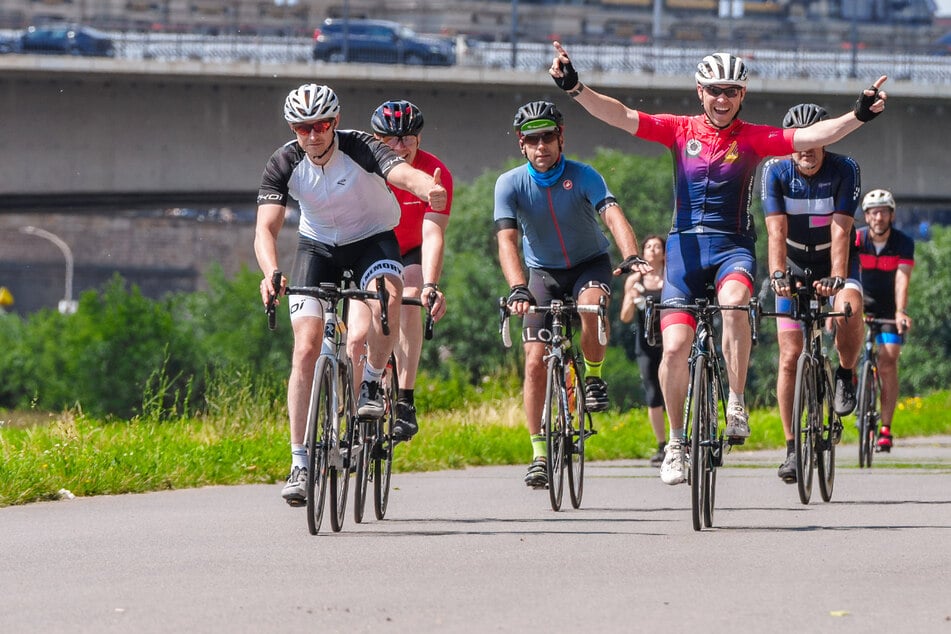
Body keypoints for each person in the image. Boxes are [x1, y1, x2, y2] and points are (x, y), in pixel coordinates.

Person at [549, 42, 888, 485]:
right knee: (673, 348)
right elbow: (621, 115)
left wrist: (859, 114)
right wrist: (575, 86)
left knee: (734, 303)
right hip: (685, 251)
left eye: (730, 91)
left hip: (732, 248)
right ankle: (674, 444)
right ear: (699, 91)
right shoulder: (678, 129)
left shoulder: (752, 137)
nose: (722, 99)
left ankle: (735, 400)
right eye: (713, 91)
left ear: (742, 95)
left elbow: (811, 137)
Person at [254, 83, 447, 505]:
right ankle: (300, 463)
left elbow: (401, 172)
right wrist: (271, 272)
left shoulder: (360, 146)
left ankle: (374, 382)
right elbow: (265, 229)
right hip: (316, 247)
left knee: (387, 300)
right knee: (305, 349)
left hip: (372, 240)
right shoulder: (284, 161)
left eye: (321, 125)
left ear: (335, 122)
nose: (313, 135)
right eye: (303, 127)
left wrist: (424, 189)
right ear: (293, 128)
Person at [495, 100, 650, 488]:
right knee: (533, 361)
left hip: (589, 265)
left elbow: (612, 215)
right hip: (542, 273)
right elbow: (507, 242)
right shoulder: (510, 184)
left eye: (548, 137)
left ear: (561, 138)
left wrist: (631, 255)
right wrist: (517, 287)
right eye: (533, 139)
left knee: (593, 307)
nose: (541, 146)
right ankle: (538, 454)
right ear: (522, 144)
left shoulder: (584, 176)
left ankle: (594, 377)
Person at [761, 103, 866, 483]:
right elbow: (775, 232)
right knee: (789, 357)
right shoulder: (774, 171)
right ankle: (791, 449)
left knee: (850, 308)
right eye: (798, 141)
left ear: (826, 139)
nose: (806, 149)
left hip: (836, 262)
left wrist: (837, 278)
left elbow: (841, 231)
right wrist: (776, 274)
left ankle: (845, 374)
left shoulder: (845, 169)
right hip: (793, 267)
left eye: (813, 140)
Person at [347, 100, 452, 442]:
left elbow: (433, 233)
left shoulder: (435, 174)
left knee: (409, 296)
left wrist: (431, 284)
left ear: (419, 139)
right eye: (389, 139)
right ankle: (352, 416)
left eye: (407, 138)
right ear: (375, 139)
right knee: (357, 338)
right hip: (369, 251)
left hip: (409, 252)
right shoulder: (362, 168)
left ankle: (405, 400)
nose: (399, 147)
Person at [855, 188, 914, 452]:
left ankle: (886, 429)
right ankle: (854, 386)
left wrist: (900, 312)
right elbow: (847, 274)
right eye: (873, 212)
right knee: (846, 346)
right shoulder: (856, 240)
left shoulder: (902, 243)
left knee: (888, 360)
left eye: (883, 212)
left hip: (889, 310)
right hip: (860, 307)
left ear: (891, 215)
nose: (878, 217)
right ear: (866, 217)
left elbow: (902, 279)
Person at [619, 235, 668, 467]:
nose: (652, 250)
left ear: (664, 253)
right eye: (648, 246)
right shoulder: (635, 281)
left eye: (657, 246)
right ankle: (661, 445)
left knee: (676, 388)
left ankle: (683, 439)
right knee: (652, 393)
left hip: (670, 343)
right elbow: (625, 317)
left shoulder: (670, 279)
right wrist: (631, 298)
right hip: (646, 345)